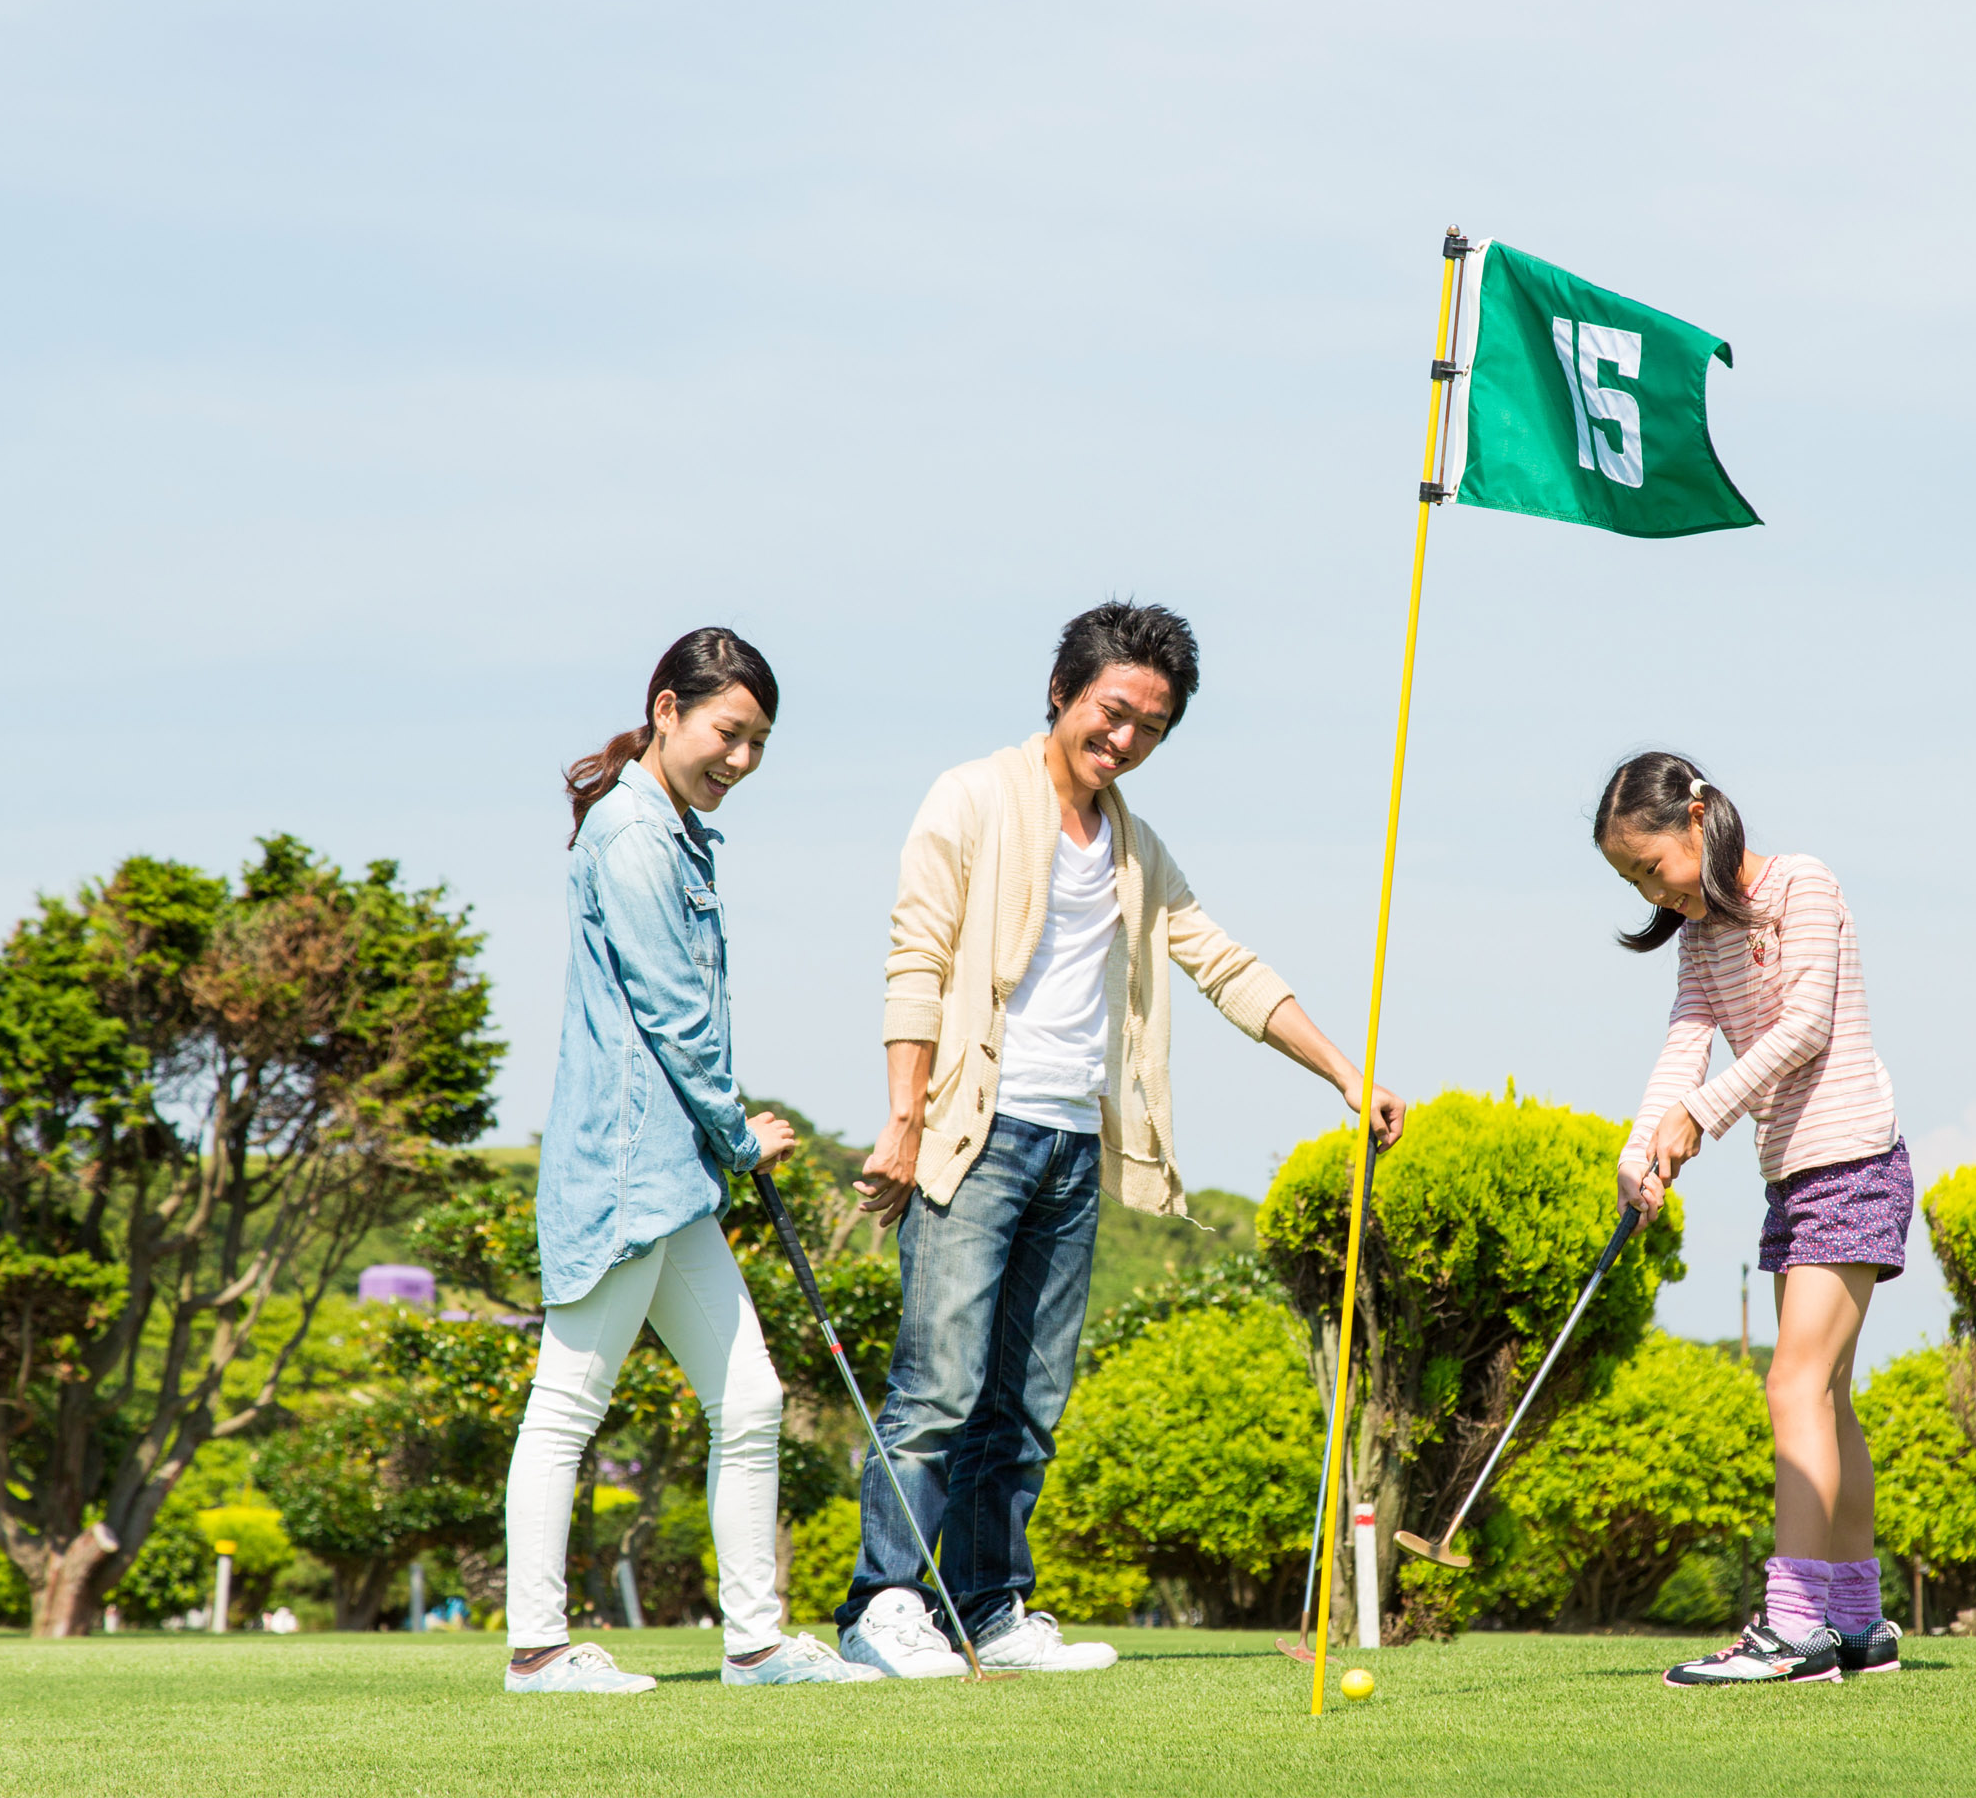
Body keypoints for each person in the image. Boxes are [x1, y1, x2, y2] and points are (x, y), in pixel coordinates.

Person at [834, 600, 1407, 1677]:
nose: (1127, 739)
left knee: (1029, 1400)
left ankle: (990, 1609)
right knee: (939, 1386)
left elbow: (1225, 965)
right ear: (1063, 692)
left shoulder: (1136, 848)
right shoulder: (970, 798)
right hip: (975, 1133)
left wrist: (1346, 1072)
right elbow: (915, 961)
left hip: (1073, 1147)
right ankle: (885, 1604)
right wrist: (903, 1120)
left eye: (1152, 724)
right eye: (1113, 711)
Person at [500, 628, 877, 1694]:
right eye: (727, 733)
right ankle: (536, 1651)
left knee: (749, 1400)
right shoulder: (632, 835)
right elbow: (673, 1014)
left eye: (757, 742)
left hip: (672, 1180)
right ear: (667, 709)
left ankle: (754, 1645)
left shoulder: (672, 830)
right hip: (630, 1170)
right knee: (568, 1404)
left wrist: (714, 1146)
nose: (740, 762)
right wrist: (738, 1134)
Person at [1595, 751, 1911, 1688]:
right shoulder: (1698, 941)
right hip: (1795, 1175)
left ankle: (1794, 1627)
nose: (1650, 888)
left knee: (1792, 1385)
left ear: (1699, 820)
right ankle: (1856, 1623)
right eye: (1629, 879)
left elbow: (1805, 1024)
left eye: (1652, 865)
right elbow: (1684, 1041)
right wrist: (1643, 1144)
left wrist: (1703, 1116)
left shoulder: (1804, 884)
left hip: (1852, 1158)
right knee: (1825, 1397)